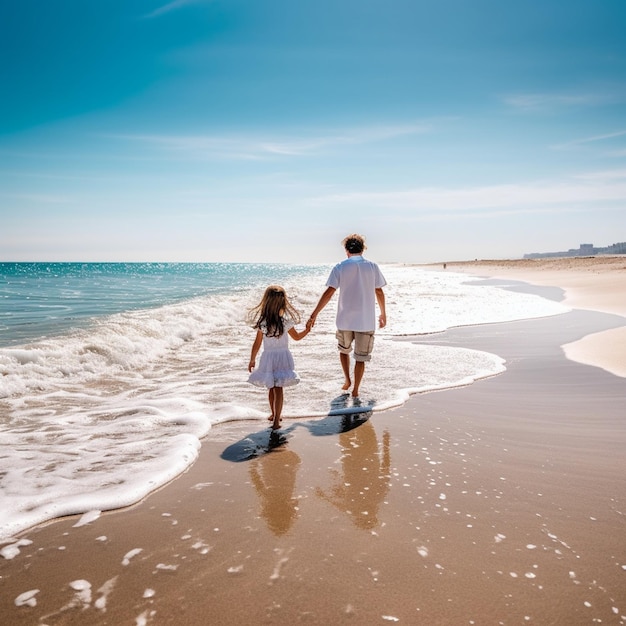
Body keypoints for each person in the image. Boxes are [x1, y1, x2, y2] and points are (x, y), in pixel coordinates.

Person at [307, 233, 387, 398]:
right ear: (363, 248)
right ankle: (356, 389)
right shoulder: (372, 267)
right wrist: (383, 313)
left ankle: (347, 380)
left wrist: (314, 314)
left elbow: (329, 292)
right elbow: (379, 290)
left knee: (344, 351)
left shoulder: (340, 267)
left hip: (345, 319)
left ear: (346, 250)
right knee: (361, 357)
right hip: (365, 320)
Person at [247, 285, 310, 430]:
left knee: (272, 387)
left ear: (266, 302)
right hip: (282, 357)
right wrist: (307, 329)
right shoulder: (285, 322)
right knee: (277, 388)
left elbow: (256, 344)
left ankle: (275, 416)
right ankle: (276, 416)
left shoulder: (263, 323)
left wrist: (252, 359)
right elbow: (297, 337)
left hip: (268, 358)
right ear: (283, 303)